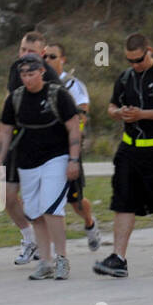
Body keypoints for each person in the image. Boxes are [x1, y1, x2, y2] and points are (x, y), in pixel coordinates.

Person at [94, 34, 153, 277]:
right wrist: (119, 113)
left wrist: (143, 114)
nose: (135, 65)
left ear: (149, 50)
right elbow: (111, 107)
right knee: (123, 201)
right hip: (130, 148)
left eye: (139, 59)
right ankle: (118, 258)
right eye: (130, 60)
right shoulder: (124, 77)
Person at [0, 53, 81, 280]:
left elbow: (74, 127)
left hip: (56, 158)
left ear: (42, 72)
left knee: (51, 208)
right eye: (23, 75)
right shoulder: (15, 98)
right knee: (35, 213)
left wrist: (73, 160)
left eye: (31, 74)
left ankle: (62, 258)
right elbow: (4, 130)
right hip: (27, 162)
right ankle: (45, 261)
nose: (27, 79)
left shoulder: (58, 95)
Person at [4, 31, 63, 266]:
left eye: (30, 51)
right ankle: (29, 238)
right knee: (7, 197)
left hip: (43, 148)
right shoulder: (14, 70)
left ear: (42, 54)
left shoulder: (50, 77)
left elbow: (62, 113)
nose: (24, 55)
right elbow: (10, 99)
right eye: (22, 50)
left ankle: (52, 252)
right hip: (17, 142)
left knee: (41, 202)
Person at [44, 43, 100, 251]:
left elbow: (82, 112)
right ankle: (47, 247)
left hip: (68, 149)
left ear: (63, 59)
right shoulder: (38, 82)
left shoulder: (72, 85)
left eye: (52, 56)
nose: (48, 60)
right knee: (44, 200)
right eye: (45, 56)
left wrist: (76, 134)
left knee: (75, 201)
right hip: (44, 150)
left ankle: (90, 223)